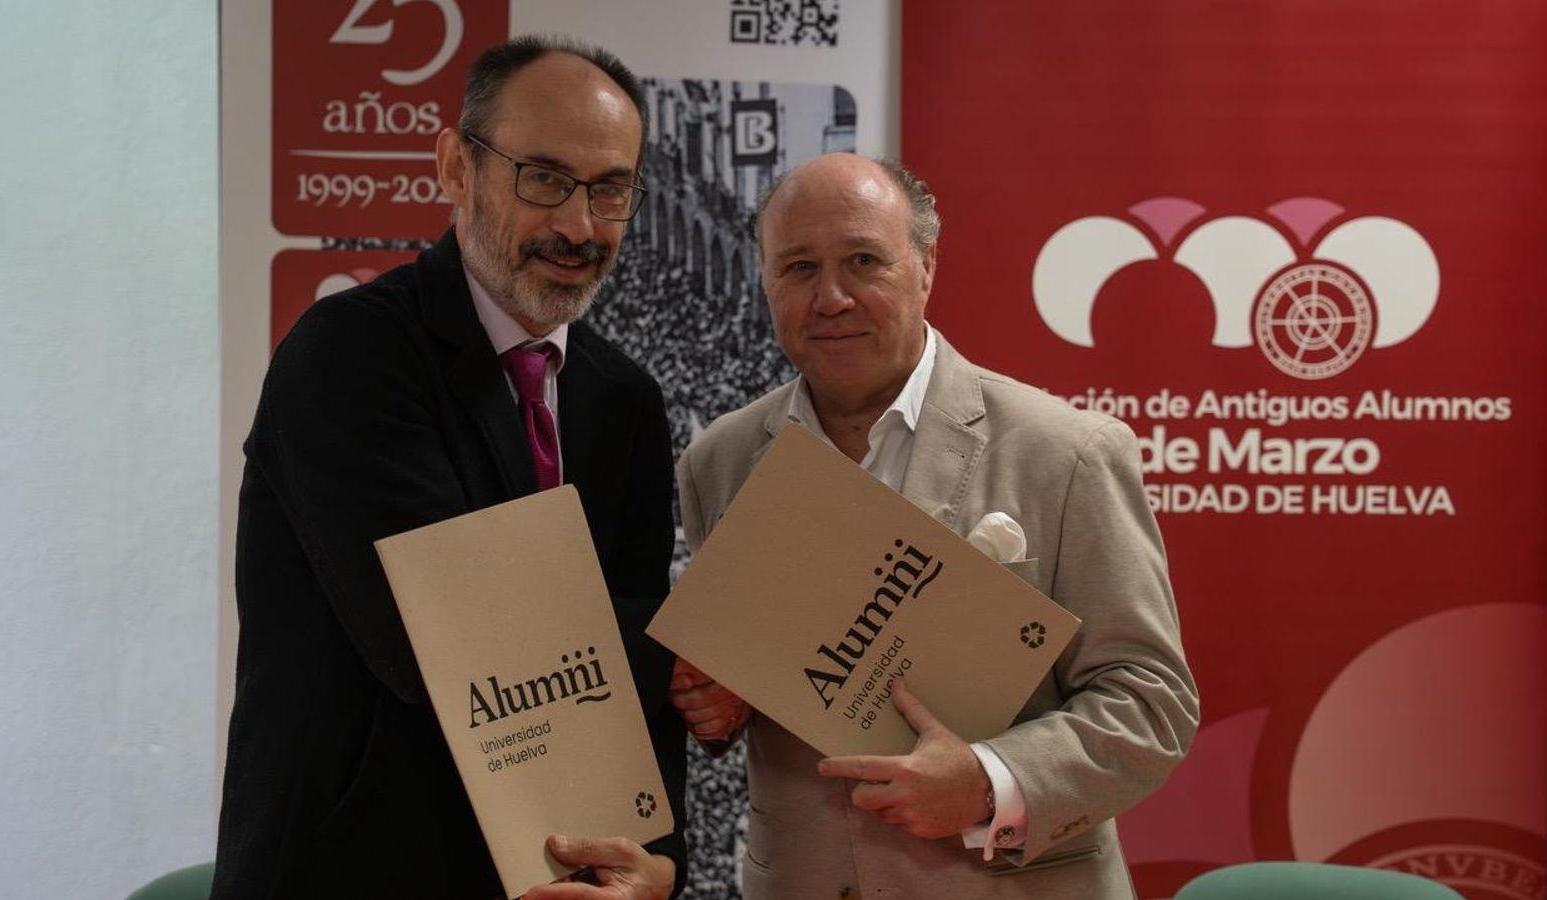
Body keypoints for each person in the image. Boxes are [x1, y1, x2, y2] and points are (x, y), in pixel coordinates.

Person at [213, 37, 686, 900]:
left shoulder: (626, 401)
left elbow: (636, 707)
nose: (578, 226)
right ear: (456, 169)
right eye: (542, 177)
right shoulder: (350, 352)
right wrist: (688, 651)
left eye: (610, 189)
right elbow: (441, 636)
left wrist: (657, 863)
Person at [669, 153, 1198, 899]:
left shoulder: (1066, 453)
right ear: (764, 280)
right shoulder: (716, 461)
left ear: (925, 268)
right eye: (797, 268)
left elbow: (1152, 703)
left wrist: (991, 781)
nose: (831, 297)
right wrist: (715, 706)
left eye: (863, 261)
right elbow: (749, 683)